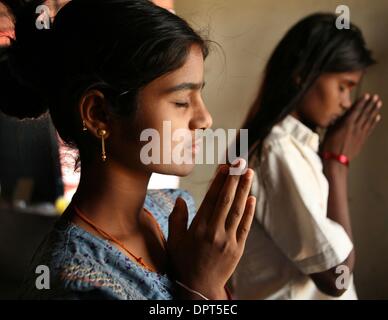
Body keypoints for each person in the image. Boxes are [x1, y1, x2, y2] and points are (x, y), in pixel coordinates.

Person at [0, 0, 256, 299]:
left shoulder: (173, 212)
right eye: (181, 102)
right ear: (99, 114)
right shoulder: (77, 285)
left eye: (200, 93)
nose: (205, 119)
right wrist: (204, 286)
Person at [231, 13, 383, 300]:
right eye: (342, 86)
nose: (346, 103)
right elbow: (336, 276)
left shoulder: (296, 148)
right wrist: (337, 165)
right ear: (303, 73)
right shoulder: (278, 151)